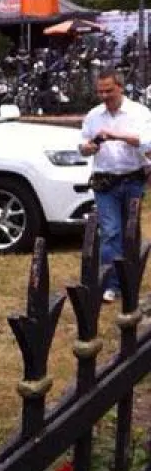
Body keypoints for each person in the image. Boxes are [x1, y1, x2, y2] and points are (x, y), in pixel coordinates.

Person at [79, 69, 151, 302]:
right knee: (111, 232)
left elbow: (146, 142)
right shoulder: (93, 115)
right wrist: (87, 148)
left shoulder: (139, 113)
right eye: (100, 91)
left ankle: (130, 276)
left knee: (131, 234)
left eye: (108, 90)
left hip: (133, 179)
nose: (104, 96)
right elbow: (82, 144)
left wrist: (116, 135)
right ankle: (111, 284)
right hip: (105, 181)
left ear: (120, 87)